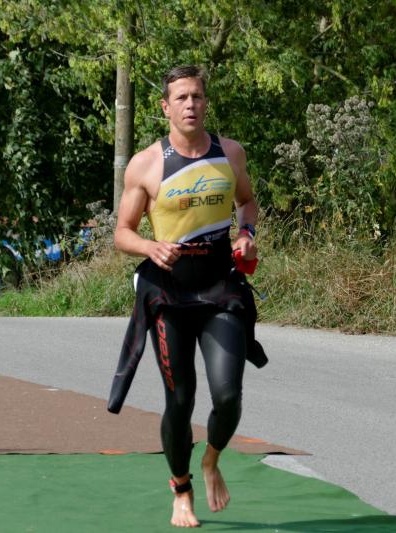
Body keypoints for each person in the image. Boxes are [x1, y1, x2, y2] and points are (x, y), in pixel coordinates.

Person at [112, 65, 260, 528]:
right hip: (169, 295)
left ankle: (211, 459)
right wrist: (149, 247)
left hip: (220, 290)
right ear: (166, 107)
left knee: (228, 396)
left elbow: (247, 201)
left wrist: (247, 234)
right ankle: (181, 487)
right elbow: (122, 233)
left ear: (206, 102)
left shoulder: (229, 153)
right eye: (181, 98)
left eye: (196, 96)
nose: (190, 104)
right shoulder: (146, 164)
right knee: (180, 402)